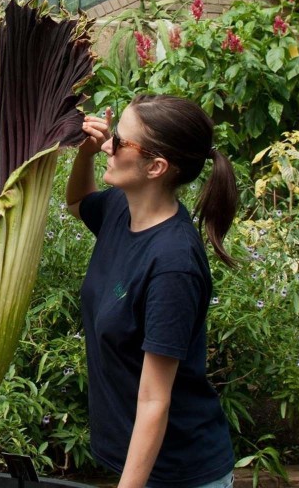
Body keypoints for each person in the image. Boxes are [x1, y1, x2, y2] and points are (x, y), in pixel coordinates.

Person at [66, 94, 238, 488]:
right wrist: (87, 155)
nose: (108, 144)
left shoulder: (172, 265)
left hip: (179, 473)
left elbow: (154, 399)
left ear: (157, 167)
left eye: (120, 141)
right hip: (140, 465)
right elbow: (77, 202)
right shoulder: (119, 210)